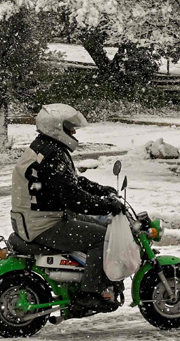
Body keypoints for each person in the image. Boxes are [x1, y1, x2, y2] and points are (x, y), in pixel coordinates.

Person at [10, 103, 124, 277]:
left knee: (100, 224)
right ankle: (92, 293)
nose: (74, 133)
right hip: (42, 224)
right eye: (70, 128)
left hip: (39, 218)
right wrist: (107, 205)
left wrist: (100, 190)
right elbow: (73, 198)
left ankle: (81, 279)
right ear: (56, 128)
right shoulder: (51, 155)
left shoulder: (46, 147)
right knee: (103, 238)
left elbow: (69, 183)